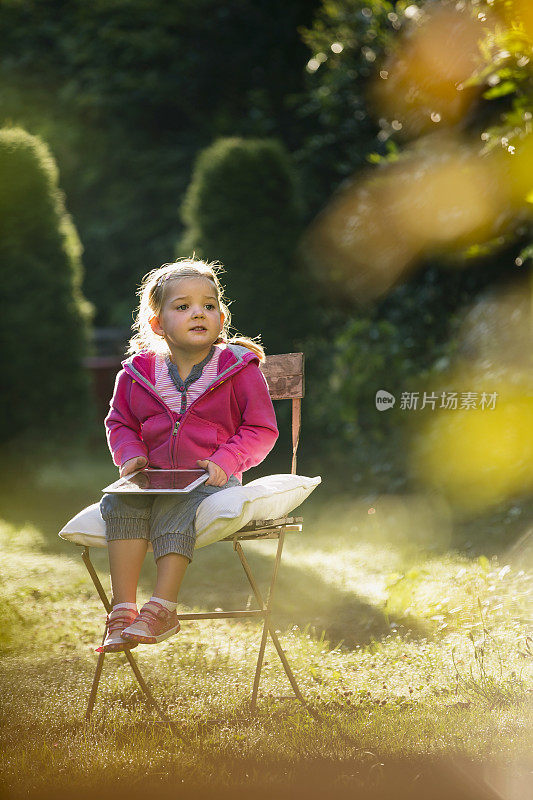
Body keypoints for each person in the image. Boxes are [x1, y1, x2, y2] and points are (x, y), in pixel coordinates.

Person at [98, 259, 278, 653]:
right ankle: (123, 611)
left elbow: (261, 430)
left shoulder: (237, 367)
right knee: (117, 501)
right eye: (183, 306)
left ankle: (162, 607)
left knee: (176, 507)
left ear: (220, 316)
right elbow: (120, 423)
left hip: (210, 479)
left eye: (209, 305)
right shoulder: (136, 373)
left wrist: (226, 461)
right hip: (155, 477)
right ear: (157, 324)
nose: (199, 312)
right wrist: (130, 457)